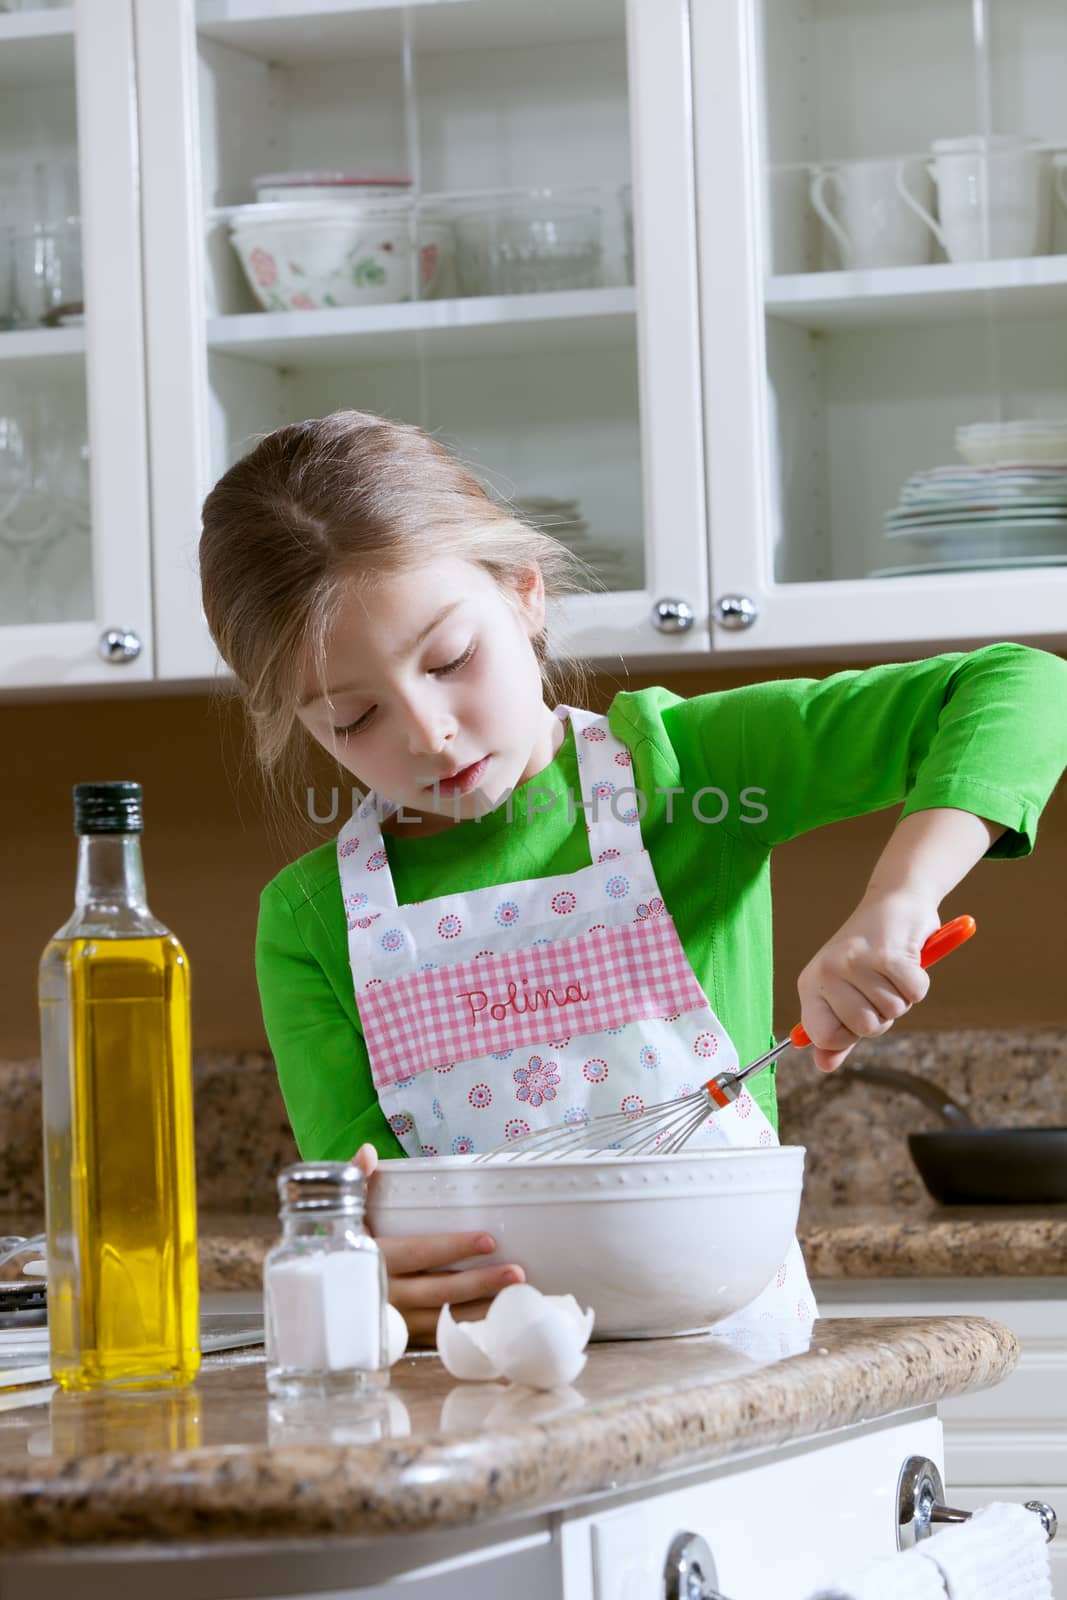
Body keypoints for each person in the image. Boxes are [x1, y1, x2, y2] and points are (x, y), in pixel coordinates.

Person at [200, 410, 1067, 1345]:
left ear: (525, 595)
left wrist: (898, 899)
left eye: (452, 660)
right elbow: (367, 1222)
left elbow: (1020, 687)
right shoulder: (312, 920)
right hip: (490, 1394)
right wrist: (368, 1274)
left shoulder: (683, 770)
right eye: (352, 717)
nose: (427, 733)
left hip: (742, 1365)